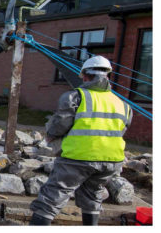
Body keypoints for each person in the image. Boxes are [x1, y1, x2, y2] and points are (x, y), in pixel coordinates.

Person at [29, 55, 132, 225]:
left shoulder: (76, 97)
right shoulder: (123, 104)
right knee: (92, 196)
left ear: (85, 75)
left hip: (78, 158)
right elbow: (121, 130)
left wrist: (51, 134)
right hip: (111, 161)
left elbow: (58, 127)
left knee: (51, 198)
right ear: (108, 76)